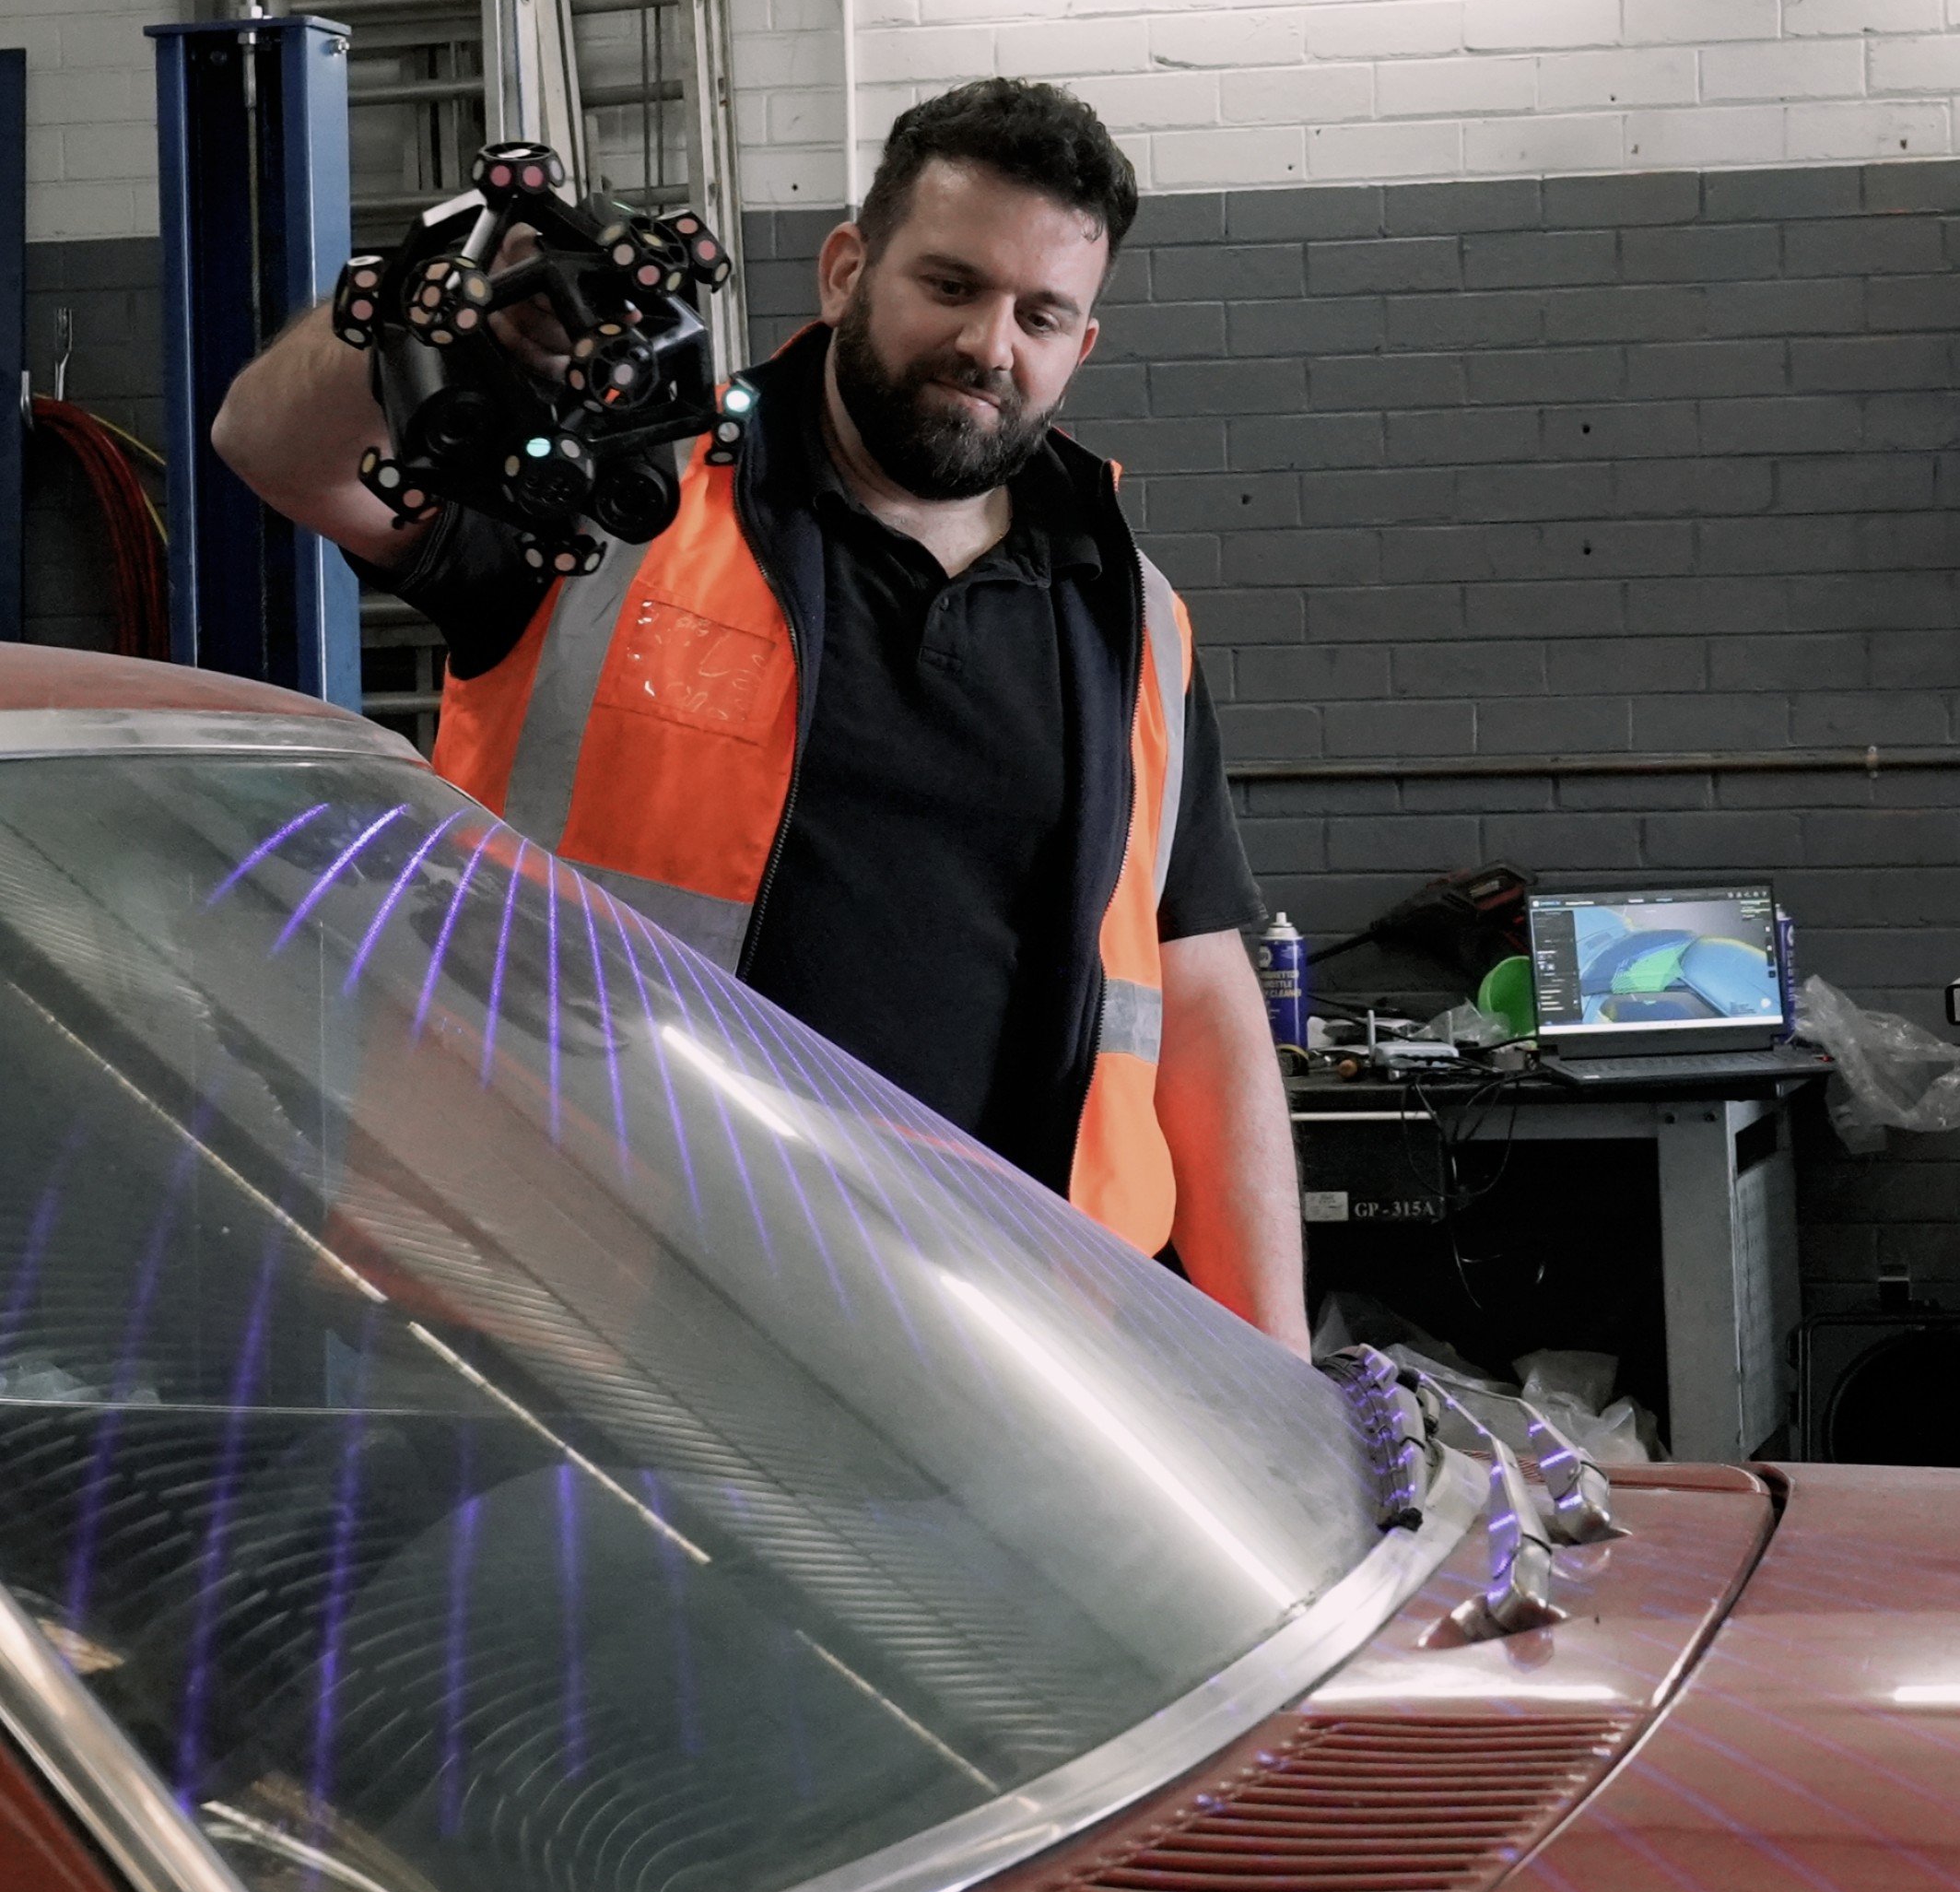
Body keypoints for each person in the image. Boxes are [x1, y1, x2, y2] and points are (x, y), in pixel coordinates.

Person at [213, 78, 1310, 1358]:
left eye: (1040, 314)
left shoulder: (1131, 615)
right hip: (591, 1325)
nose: (989, 345)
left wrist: (1277, 1365)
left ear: (1083, 344)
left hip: (1008, 1364)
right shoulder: (615, 501)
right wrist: (432, 309)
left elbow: (1200, 997)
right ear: (846, 271)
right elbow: (268, 444)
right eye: (950, 285)